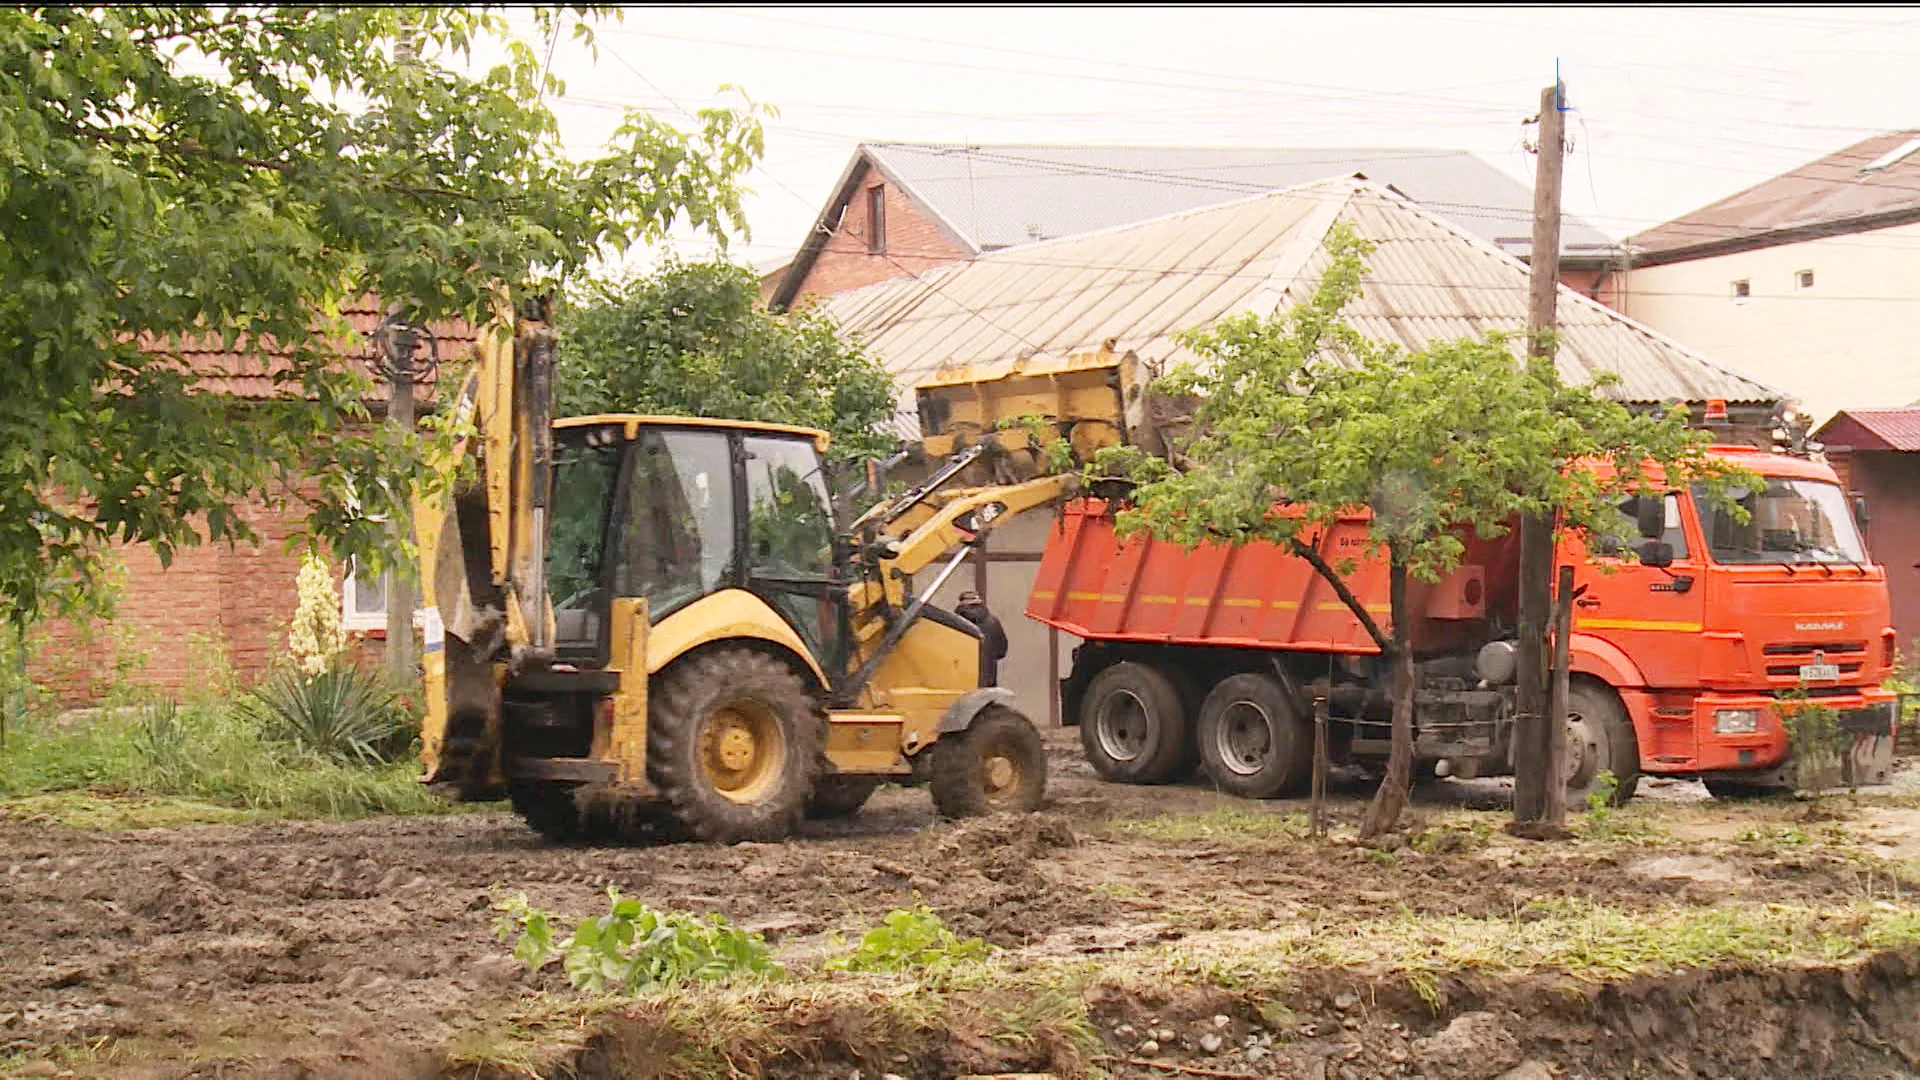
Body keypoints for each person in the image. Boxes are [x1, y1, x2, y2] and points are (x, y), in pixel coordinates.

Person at [954, 590, 1008, 688]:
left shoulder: (953, 622)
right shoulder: (993, 622)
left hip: (960, 680)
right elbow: (1001, 651)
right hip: (987, 681)